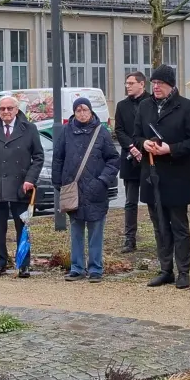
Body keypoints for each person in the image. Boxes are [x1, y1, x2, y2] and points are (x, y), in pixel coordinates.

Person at [134, 64, 190, 289]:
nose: (156, 87)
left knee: (179, 226)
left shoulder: (186, 107)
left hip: (177, 176)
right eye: (154, 83)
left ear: (171, 85)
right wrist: (143, 143)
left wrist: (170, 149)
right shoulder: (145, 106)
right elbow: (136, 135)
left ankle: (183, 271)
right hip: (151, 174)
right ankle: (166, 269)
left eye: (160, 84)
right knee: (159, 226)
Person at [53, 96, 120, 282]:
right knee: (76, 230)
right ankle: (77, 267)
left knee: (96, 230)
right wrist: (58, 182)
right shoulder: (66, 131)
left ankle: (96, 269)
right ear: (74, 113)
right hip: (73, 189)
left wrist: (103, 180)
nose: (82, 114)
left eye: (85, 110)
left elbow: (114, 159)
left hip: (96, 189)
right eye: (79, 110)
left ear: (91, 112)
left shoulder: (102, 132)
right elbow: (58, 158)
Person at [0, 95, 44, 278]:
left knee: (22, 226)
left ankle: (23, 263)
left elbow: (38, 156)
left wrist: (30, 179)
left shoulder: (29, 129)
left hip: (20, 185)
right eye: (2, 109)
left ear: (16, 110)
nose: (6, 112)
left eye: (9, 108)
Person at [113, 72, 152, 253]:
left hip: (149, 156)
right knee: (130, 201)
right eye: (126, 83)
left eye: (131, 83)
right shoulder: (122, 106)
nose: (127, 86)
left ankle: (162, 235)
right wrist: (131, 147)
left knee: (154, 199)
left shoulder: (151, 103)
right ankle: (130, 238)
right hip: (129, 158)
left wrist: (142, 148)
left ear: (142, 84)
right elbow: (119, 130)